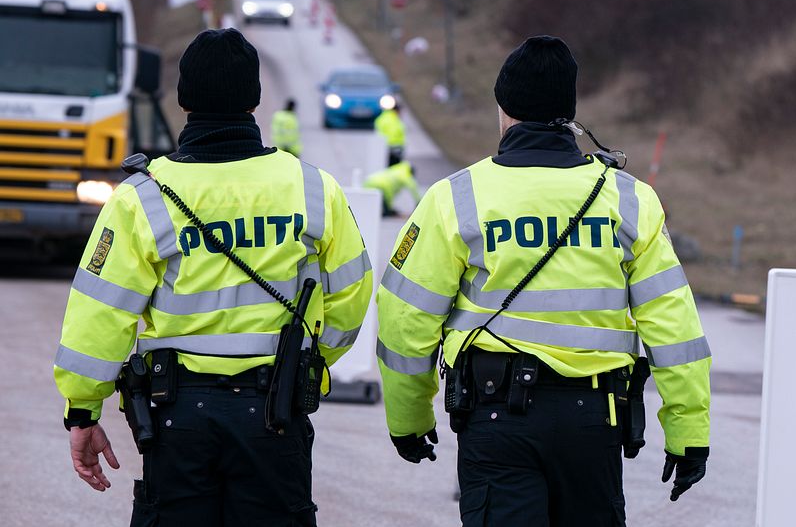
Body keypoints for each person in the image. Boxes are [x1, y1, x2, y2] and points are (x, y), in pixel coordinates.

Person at [375, 36, 711, 526]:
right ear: (570, 111)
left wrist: (409, 419)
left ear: (503, 107)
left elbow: (406, 317)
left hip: (495, 423)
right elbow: (673, 325)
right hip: (594, 424)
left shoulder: (456, 197)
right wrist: (689, 432)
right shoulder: (628, 200)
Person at [53, 28, 373, 526]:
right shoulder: (313, 188)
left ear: (182, 98)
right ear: (255, 97)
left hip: (176, 420)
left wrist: (83, 410)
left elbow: (99, 314)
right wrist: (306, 364)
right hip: (276, 415)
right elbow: (352, 296)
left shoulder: (143, 196)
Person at [374, 102, 406, 166]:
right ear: (396, 110)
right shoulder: (393, 119)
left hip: (383, 147)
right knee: (393, 169)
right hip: (393, 148)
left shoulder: (382, 118)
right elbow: (395, 133)